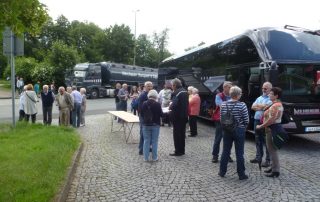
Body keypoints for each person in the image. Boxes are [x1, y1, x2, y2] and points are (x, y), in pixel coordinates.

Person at [219, 86, 249, 180]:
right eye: (240, 94)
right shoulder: (242, 105)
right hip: (239, 130)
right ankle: (241, 174)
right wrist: (243, 127)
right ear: (238, 95)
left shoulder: (223, 104)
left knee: (225, 151)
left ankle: (222, 172)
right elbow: (246, 120)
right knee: (239, 153)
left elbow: (221, 119)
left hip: (226, 130)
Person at [256, 87, 284, 178]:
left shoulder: (275, 105)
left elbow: (271, 119)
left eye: (271, 94)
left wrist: (261, 126)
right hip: (272, 128)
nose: (269, 95)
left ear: (276, 96)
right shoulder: (275, 104)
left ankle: (276, 170)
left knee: (272, 150)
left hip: (272, 129)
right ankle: (273, 167)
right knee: (271, 149)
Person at [250, 82, 273, 167]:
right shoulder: (259, 97)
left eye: (265, 88)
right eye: (263, 88)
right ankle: (258, 157)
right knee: (257, 139)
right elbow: (252, 107)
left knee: (267, 141)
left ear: (270, 89)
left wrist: (259, 106)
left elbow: (266, 107)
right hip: (257, 120)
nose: (263, 90)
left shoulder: (271, 98)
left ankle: (268, 160)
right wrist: (262, 107)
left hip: (266, 121)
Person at [211, 81, 234, 163]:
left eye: (231, 88)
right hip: (220, 120)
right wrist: (231, 106)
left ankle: (227, 155)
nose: (231, 89)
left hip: (230, 120)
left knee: (228, 139)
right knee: (218, 138)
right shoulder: (219, 95)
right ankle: (215, 155)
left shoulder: (232, 96)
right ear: (224, 88)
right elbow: (221, 105)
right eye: (229, 88)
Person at [140, 89, 163, 161]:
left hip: (146, 125)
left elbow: (141, 114)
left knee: (146, 141)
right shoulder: (157, 104)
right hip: (155, 125)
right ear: (156, 96)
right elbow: (161, 115)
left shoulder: (144, 103)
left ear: (149, 95)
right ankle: (154, 158)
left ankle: (145, 158)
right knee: (154, 141)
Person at [169, 78, 189, 156]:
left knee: (177, 134)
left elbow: (174, 104)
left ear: (175, 85)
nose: (172, 87)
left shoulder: (176, 93)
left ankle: (177, 151)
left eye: (172, 85)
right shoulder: (185, 91)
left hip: (177, 117)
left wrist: (170, 106)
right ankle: (182, 150)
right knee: (182, 133)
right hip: (184, 116)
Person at [137, 81, 153, 155]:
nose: (149, 87)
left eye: (151, 86)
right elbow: (140, 108)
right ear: (145, 87)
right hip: (144, 117)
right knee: (143, 133)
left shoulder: (151, 95)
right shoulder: (143, 95)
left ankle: (147, 147)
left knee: (149, 133)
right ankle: (141, 149)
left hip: (150, 117)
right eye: (148, 86)